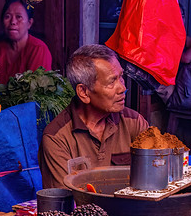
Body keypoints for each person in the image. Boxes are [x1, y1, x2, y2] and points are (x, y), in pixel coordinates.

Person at [39, 44, 149, 188]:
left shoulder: (134, 122)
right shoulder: (56, 138)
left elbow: (155, 178)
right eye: (111, 82)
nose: (122, 88)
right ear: (84, 92)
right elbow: (66, 202)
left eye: (121, 77)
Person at [157, 4, 191, 119]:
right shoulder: (164, 38)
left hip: (184, 93)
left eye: (182, 16)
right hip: (176, 98)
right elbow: (186, 58)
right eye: (176, 16)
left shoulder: (179, 37)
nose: (180, 20)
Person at [0, 0, 52, 85]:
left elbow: (34, 91)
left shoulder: (39, 49)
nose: (13, 22)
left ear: (29, 23)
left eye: (19, 17)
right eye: (7, 16)